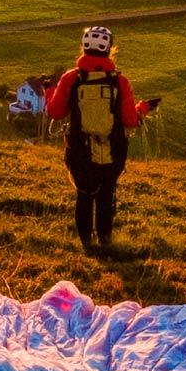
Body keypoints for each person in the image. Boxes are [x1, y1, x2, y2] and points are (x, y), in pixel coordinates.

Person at [44, 26, 156, 254]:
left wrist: (49, 91)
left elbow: (55, 113)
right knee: (106, 196)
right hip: (113, 151)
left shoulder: (70, 78)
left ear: (84, 48)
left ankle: (87, 245)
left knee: (84, 196)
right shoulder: (120, 81)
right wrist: (144, 107)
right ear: (110, 50)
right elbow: (131, 120)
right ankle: (106, 243)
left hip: (79, 150)